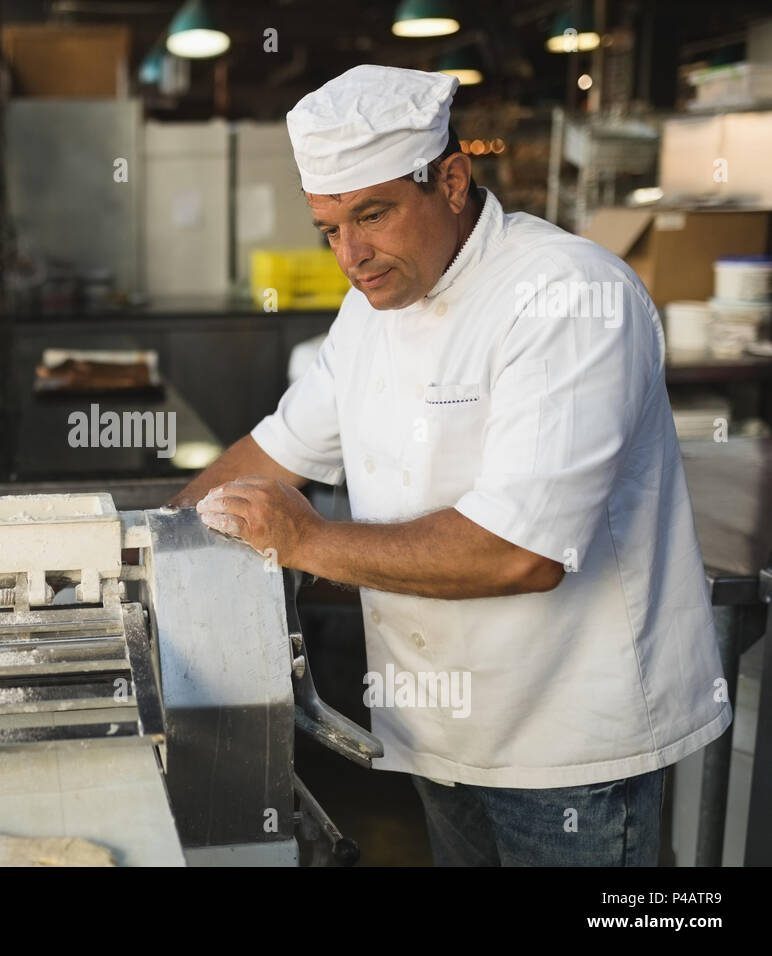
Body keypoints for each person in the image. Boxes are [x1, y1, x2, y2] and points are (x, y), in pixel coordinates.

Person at [172, 65, 731, 866]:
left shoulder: (567, 296)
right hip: (437, 731)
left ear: (453, 180)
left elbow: (521, 553)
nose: (351, 255)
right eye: (329, 228)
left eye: (373, 214)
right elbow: (275, 449)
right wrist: (147, 545)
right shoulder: (372, 310)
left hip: (568, 747)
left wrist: (302, 539)